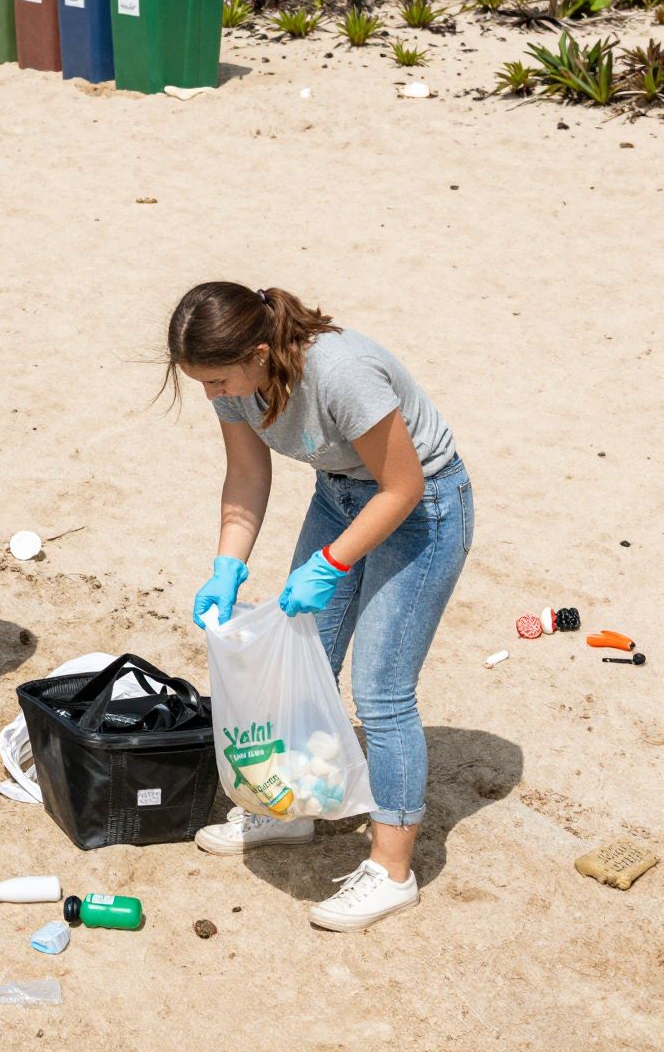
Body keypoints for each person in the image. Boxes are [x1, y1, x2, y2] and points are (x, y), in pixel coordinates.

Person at [169, 282, 472, 933]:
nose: (211, 394)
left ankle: (393, 872)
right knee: (304, 656)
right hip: (338, 496)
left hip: (423, 510)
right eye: (201, 382)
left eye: (218, 379)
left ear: (258, 351)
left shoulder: (339, 373)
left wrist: (332, 562)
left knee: (383, 689)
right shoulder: (236, 383)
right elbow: (247, 476)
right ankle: (292, 806)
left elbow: (404, 483)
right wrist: (228, 564)